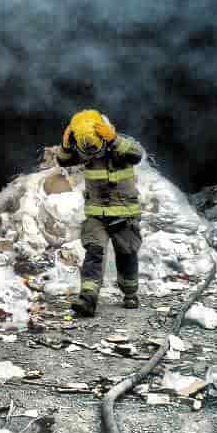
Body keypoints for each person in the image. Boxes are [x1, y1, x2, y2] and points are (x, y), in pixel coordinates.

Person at [56, 109, 144, 317]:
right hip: (97, 215)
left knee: (127, 254)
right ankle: (88, 298)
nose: (91, 154)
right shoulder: (85, 148)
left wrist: (113, 139)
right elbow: (64, 161)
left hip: (124, 214)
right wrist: (66, 145)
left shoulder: (120, 147)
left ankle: (130, 292)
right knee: (94, 253)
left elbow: (136, 155)